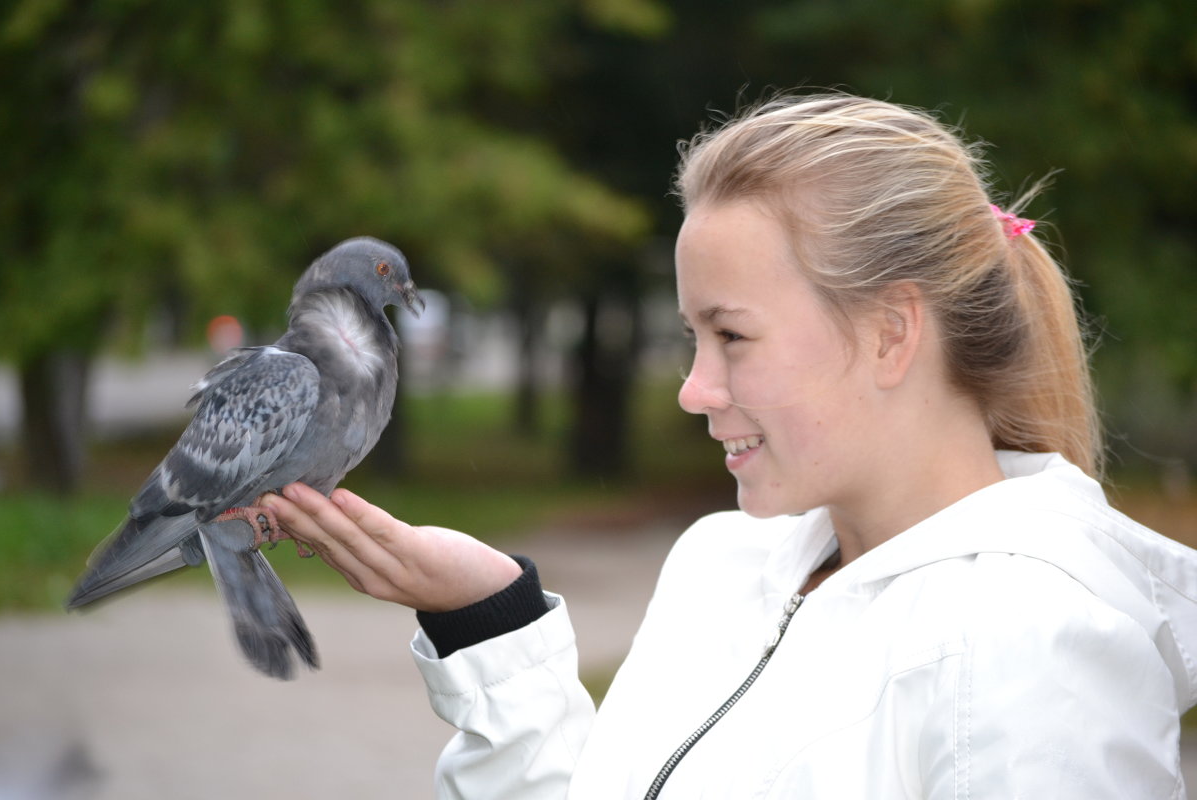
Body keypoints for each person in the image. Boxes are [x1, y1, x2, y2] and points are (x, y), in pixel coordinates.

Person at [263, 93, 1197, 798]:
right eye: (690, 338)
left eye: (732, 336)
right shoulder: (723, 563)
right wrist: (490, 620)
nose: (692, 389)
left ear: (891, 333)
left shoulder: (1034, 645)